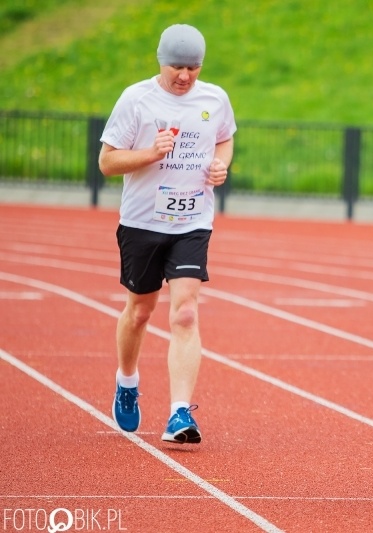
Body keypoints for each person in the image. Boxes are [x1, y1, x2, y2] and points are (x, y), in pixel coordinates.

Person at [98, 23, 236, 444]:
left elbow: (225, 139)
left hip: (192, 222)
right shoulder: (136, 99)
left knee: (186, 312)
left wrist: (220, 165)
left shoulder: (215, 99)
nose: (186, 76)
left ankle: (179, 413)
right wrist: (150, 153)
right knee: (140, 312)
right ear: (161, 62)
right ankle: (127, 380)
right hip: (142, 222)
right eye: (178, 66)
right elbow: (107, 162)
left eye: (194, 67)